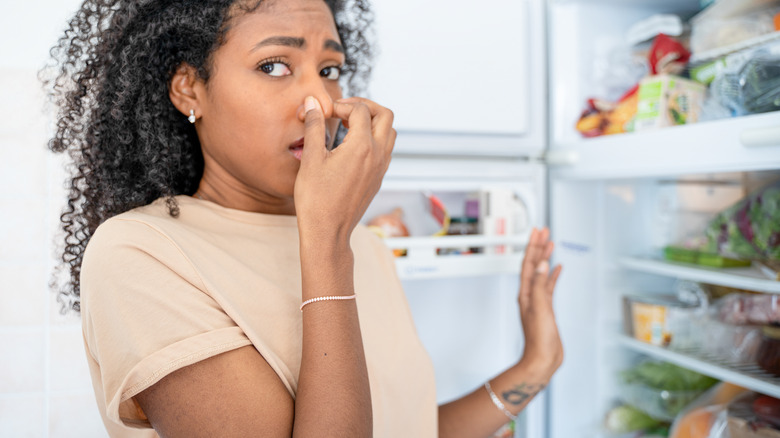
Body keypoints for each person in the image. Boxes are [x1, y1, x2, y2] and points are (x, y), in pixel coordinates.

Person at [45, 0, 564, 436]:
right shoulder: (142, 253)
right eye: (274, 65)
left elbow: (403, 426)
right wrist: (328, 242)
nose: (320, 100)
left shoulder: (364, 246)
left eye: (330, 70)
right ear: (189, 89)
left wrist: (536, 366)